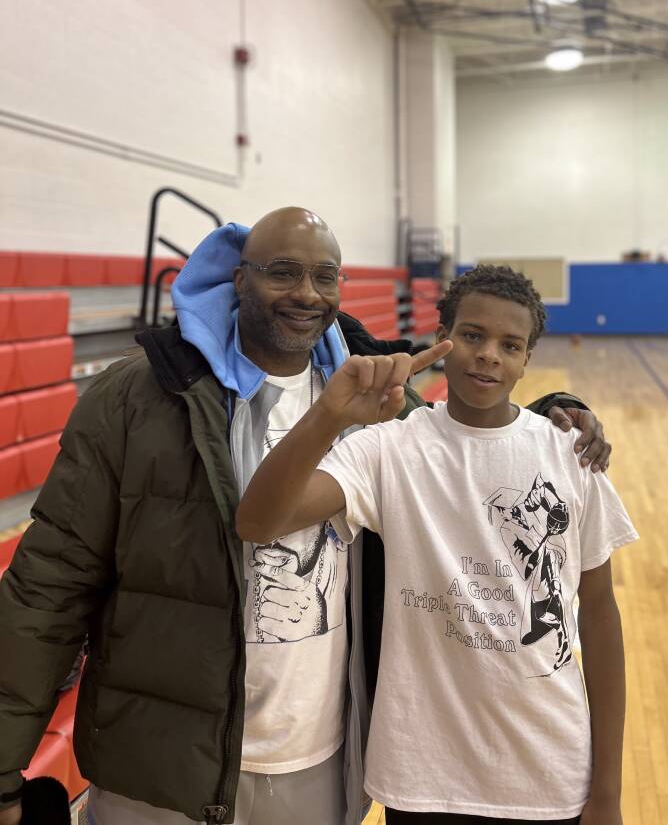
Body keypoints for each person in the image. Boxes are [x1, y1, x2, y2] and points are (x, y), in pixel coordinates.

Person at [0, 211, 612, 825]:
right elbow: (48, 585)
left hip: (320, 760)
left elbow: (473, 449)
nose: (306, 293)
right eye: (282, 272)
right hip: (161, 765)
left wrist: (557, 418)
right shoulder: (137, 397)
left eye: (324, 276)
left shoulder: (385, 404)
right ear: (239, 278)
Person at [236, 264, 638, 825]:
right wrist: (330, 414)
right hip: (421, 777)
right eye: (472, 335)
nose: (488, 355)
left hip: (549, 770)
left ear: (527, 359)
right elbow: (259, 520)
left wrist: (608, 790)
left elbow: (599, 617)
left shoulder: (570, 455)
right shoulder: (388, 448)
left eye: (510, 344)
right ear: (442, 337)